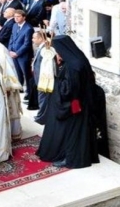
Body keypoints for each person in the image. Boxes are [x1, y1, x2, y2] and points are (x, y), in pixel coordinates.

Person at [37, 35, 104, 169]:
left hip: (75, 105)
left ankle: (70, 158)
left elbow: (68, 91)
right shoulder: (79, 59)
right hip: (82, 101)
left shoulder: (73, 67)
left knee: (72, 132)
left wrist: (56, 82)